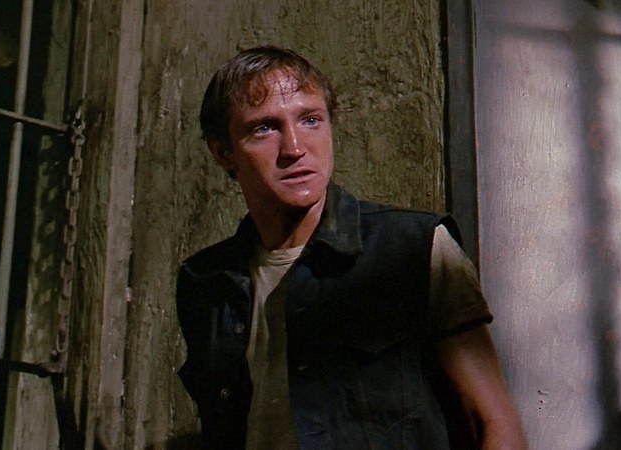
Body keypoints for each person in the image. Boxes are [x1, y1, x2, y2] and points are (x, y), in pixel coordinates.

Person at [176, 45, 527, 450]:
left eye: (310, 120)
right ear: (223, 152)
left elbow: (497, 427)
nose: (294, 148)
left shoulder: (413, 247)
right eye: (265, 128)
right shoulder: (207, 280)